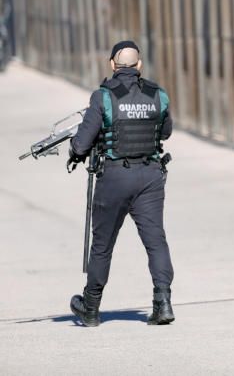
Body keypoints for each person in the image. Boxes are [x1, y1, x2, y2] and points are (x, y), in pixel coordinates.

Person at [67, 41, 175, 327]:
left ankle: (90, 308)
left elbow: (81, 145)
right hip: (150, 177)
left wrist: (76, 149)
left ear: (112, 65)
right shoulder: (158, 95)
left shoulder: (103, 97)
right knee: (155, 241)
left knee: (102, 246)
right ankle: (162, 302)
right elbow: (166, 131)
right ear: (139, 66)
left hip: (115, 178)